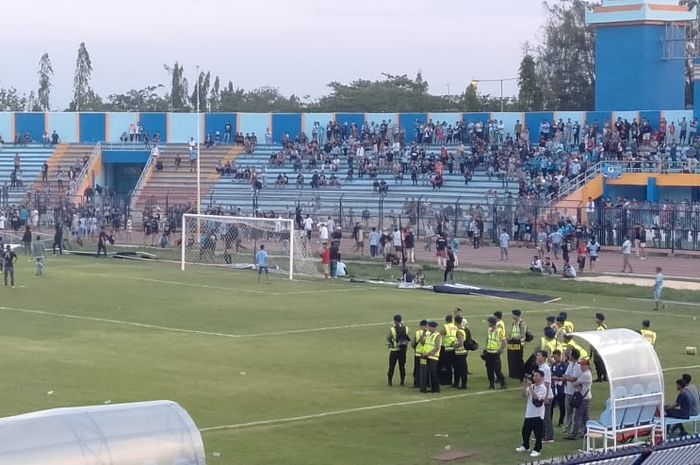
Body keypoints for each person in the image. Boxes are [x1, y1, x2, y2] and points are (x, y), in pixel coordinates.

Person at [515, 369, 547, 458]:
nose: (535, 377)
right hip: (529, 413)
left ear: (541, 377)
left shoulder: (543, 388)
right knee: (525, 431)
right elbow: (523, 395)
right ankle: (525, 445)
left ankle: (537, 449)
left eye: (537, 376)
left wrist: (531, 388)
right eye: (534, 376)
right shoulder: (532, 386)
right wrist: (526, 385)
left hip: (538, 414)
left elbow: (537, 399)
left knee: (538, 434)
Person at [566, 359, 592, 440]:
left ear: (587, 366)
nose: (581, 367)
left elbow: (575, 383)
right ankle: (586, 431)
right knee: (585, 416)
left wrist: (576, 384)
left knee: (577, 416)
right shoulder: (585, 374)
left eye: (583, 365)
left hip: (582, 398)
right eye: (581, 365)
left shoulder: (585, 375)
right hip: (586, 397)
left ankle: (573, 433)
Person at [535, 351, 555, 443]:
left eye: (539, 355)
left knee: (547, 416)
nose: (537, 357)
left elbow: (547, 383)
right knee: (541, 416)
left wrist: (546, 397)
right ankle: (542, 434)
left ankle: (549, 436)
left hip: (547, 395)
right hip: (542, 394)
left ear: (544, 357)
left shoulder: (545, 368)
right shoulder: (541, 367)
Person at [561, 348, 582, 437]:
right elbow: (565, 375)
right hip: (568, 391)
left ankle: (578, 429)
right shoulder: (570, 364)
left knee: (576, 413)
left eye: (570, 354)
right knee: (568, 411)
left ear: (573, 356)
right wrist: (567, 377)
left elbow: (573, 378)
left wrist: (567, 377)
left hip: (575, 392)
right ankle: (567, 428)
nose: (568, 356)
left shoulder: (578, 365)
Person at [484, 316, 507, 390]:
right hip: (488, 352)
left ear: (491, 323)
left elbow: (504, 341)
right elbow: (488, 339)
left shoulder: (499, 331)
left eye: (489, 322)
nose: (488, 324)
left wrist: (501, 349)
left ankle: (503, 383)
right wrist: (485, 348)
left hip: (495, 353)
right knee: (489, 369)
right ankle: (491, 384)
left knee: (497, 369)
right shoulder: (489, 330)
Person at [419, 321, 442, 393]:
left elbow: (437, 347)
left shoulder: (437, 335)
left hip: (433, 357)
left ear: (433, 327)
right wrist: (423, 333)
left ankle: (436, 388)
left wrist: (428, 353)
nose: (428, 328)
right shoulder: (428, 334)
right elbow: (422, 343)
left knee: (433, 372)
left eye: (430, 327)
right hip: (426, 356)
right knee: (427, 372)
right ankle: (430, 387)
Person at [386, 314, 409, 386]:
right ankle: (402, 381)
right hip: (403, 350)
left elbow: (388, 338)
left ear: (394, 321)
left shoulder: (392, 329)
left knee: (391, 366)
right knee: (402, 366)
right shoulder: (406, 328)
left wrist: (392, 343)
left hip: (394, 350)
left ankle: (390, 382)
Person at [507, 309, 527, 380]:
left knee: (518, 359)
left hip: (519, 343)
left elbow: (522, 334)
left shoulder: (521, 323)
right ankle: (513, 373)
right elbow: (513, 332)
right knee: (512, 358)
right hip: (512, 343)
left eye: (512, 314)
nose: (512, 316)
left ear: (516, 315)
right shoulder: (513, 323)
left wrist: (515, 338)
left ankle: (520, 373)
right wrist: (509, 337)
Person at [550, 349, 568, 428]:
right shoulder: (553, 365)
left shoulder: (564, 366)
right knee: (551, 406)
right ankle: (549, 421)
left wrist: (557, 378)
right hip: (554, 389)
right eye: (553, 357)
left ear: (559, 356)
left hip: (561, 389)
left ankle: (561, 422)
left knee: (562, 406)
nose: (555, 359)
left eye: (556, 357)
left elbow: (566, 377)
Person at [453, 315, 469, 389]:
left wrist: (454, 345)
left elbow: (461, 343)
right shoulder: (462, 330)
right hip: (461, 352)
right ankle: (459, 383)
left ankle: (463, 384)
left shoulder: (459, 331)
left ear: (455, 322)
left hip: (461, 352)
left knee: (461, 369)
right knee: (459, 368)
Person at [412, 320, 429, 388]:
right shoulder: (430, 333)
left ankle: (417, 383)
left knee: (417, 369)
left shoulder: (417, 333)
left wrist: (416, 349)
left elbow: (413, 344)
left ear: (421, 325)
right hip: (426, 354)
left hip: (418, 354)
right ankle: (426, 383)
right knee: (426, 369)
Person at [593, 313, 608, 382]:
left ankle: (601, 377)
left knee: (598, 362)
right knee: (601, 362)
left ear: (599, 319)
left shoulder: (600, 328)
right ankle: (604, 377)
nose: (595, 319)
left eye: (596, 318)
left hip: (599, 347)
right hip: (603, 347)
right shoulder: (604, 326)